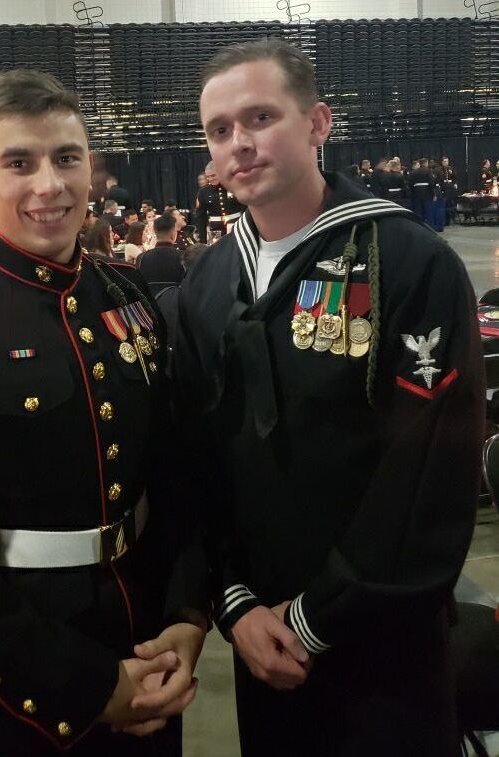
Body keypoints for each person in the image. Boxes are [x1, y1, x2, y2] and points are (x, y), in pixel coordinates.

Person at [0, 68, 207, 757]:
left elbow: (175, 473)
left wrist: (187, 612)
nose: (48, 184)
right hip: (19, 670)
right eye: (18, 162)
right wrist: (79, 686)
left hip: (149, 642)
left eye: (66, 158)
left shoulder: (127, 292)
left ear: (91, 169)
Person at [177, 38, 484, 757]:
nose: (239, 144)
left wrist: (318, 615)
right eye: (220, 131)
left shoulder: (411, 262)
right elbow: (194, 457)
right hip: (261, 642)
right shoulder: (205, 285)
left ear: (318, 122)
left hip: (386, 645)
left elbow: (427, 472)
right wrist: (236, 602)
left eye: (259, 117)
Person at [192, 161, 244, 242]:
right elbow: (200, 217)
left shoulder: (234, 186)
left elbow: (245, 207)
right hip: (215, 230)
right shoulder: (203, 192)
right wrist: (203, 240)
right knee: (217, 252)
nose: (210, 179)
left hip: (236, 226)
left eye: (213, 175)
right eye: (208, 177)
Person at [137, 213, 185, 297]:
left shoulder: (141, 258)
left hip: (150, 306)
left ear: (155, 232)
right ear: (173, 233)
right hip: (176, 306)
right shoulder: (183, 257)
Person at [408, 158, 435, 227]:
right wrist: (433, 194)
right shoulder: (428, 171)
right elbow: (431, 184)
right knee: (429, 211)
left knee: (419, 212)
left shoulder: (414, 172)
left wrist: (414, 192)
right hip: (427, 193)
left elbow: (410, 184)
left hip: (417, 194)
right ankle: (430, 227)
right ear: (426, 163)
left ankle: (419, 227)